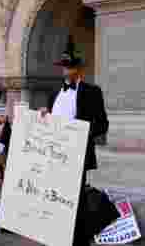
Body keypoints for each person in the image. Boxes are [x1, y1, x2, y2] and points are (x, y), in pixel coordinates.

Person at [44, 43, 109, 190]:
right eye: (65, 67)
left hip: (77, 154)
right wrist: (44, 116)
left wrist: (81, 134)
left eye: (71, 67)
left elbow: (102, 124)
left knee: (76, 195)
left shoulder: (92, 92)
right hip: (54, 154)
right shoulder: (54, 93)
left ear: (79, 69)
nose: (67, 71)